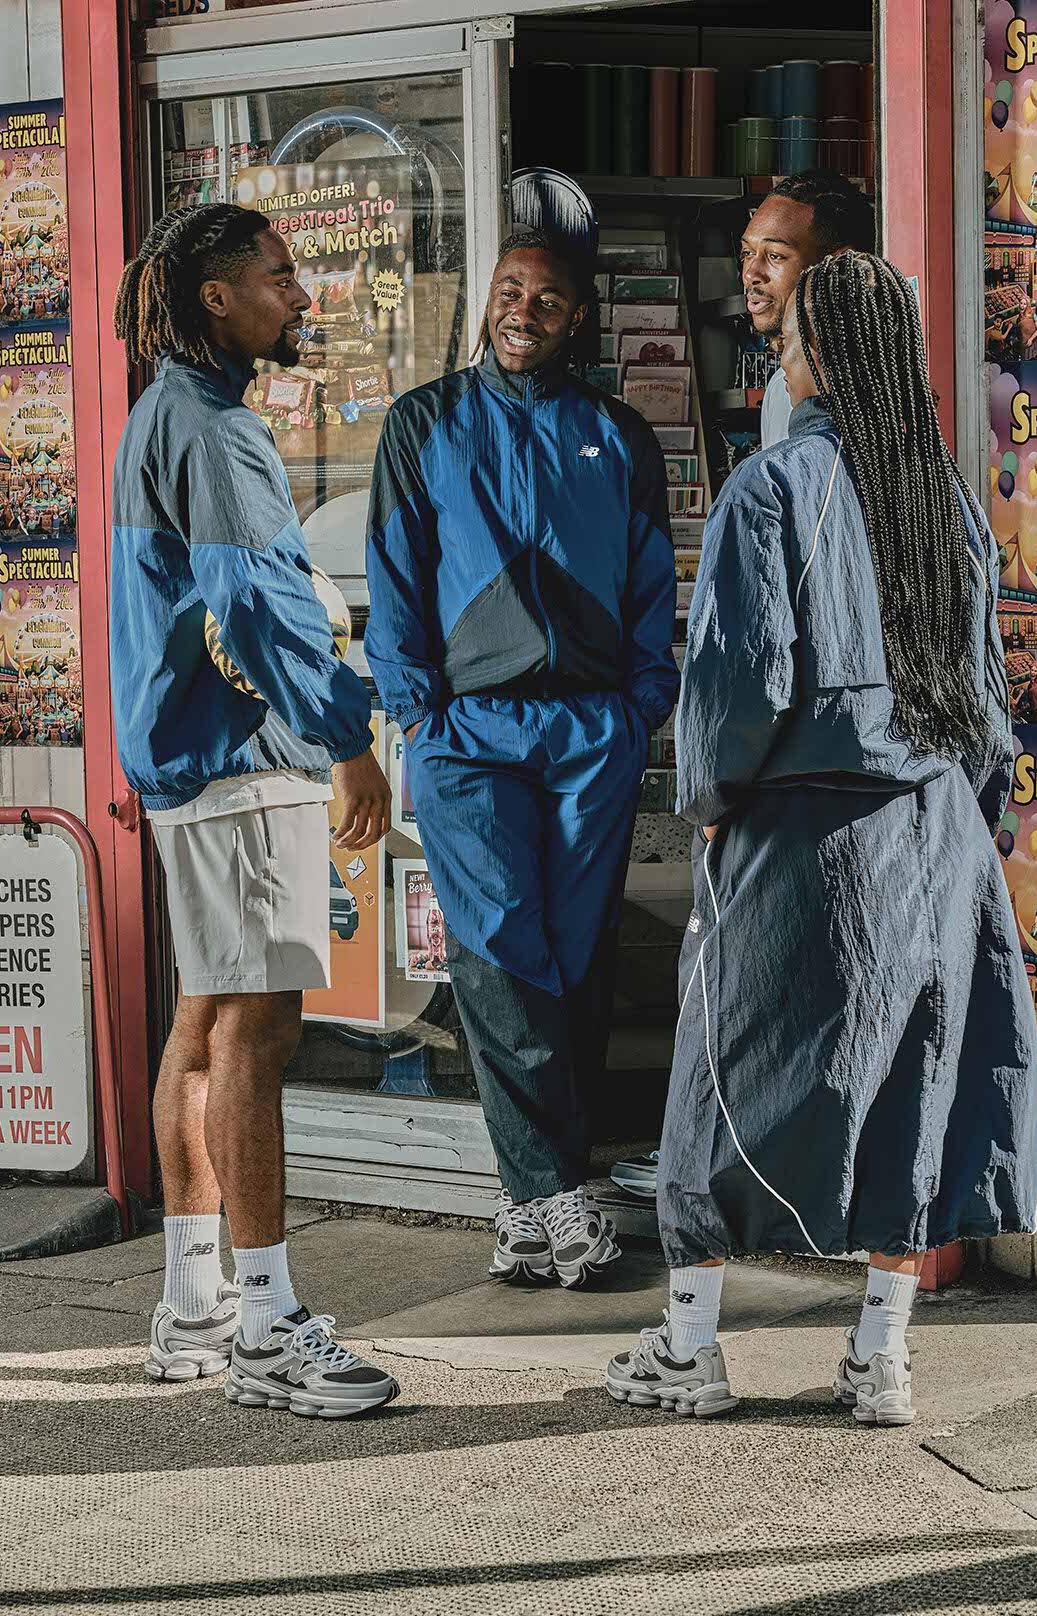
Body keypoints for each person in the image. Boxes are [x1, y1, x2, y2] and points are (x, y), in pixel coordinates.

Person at [604, 252, 1037, 1425]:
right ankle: (881, 1359)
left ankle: (690, 1350)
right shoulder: (941, 494)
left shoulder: (768, 486)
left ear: (818, 355)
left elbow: (738, 688)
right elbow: (986, 687)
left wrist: (706, 801)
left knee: (715, 1074)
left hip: (803, 829)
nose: (776, 353)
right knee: (917, 1080)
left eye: (788, 333)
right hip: (938, 833)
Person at [109, 203, 399, 1417]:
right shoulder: (218, 433)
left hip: (185, 760)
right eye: (279, 277)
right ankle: (270, 1327)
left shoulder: (162, 414)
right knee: (259, 1034)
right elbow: (266, 613)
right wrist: (348, 745)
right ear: (218, 298)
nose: (301, 296)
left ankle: (194, 1304)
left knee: (208, 1020)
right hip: (239, 763)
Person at [365, 229, 679, 1290]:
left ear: (577, 317)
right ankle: (553, 1189)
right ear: (484, 300)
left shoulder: (617, 434)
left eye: (548, 300)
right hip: (468, 734)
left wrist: (642, 705)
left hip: (592, 731)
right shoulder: (424, 423)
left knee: (574, 958)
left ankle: (525, 1203)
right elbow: (395, 577)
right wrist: (417, 715)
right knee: (498, 955)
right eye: (511, 292)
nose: (524, 313)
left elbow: (651, 588)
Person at [741, 171, 875, 450]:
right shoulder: (781, 388)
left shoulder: (880, 390)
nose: (751, 273)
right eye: (747, 253)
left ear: (837, 264)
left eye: (775, 256)